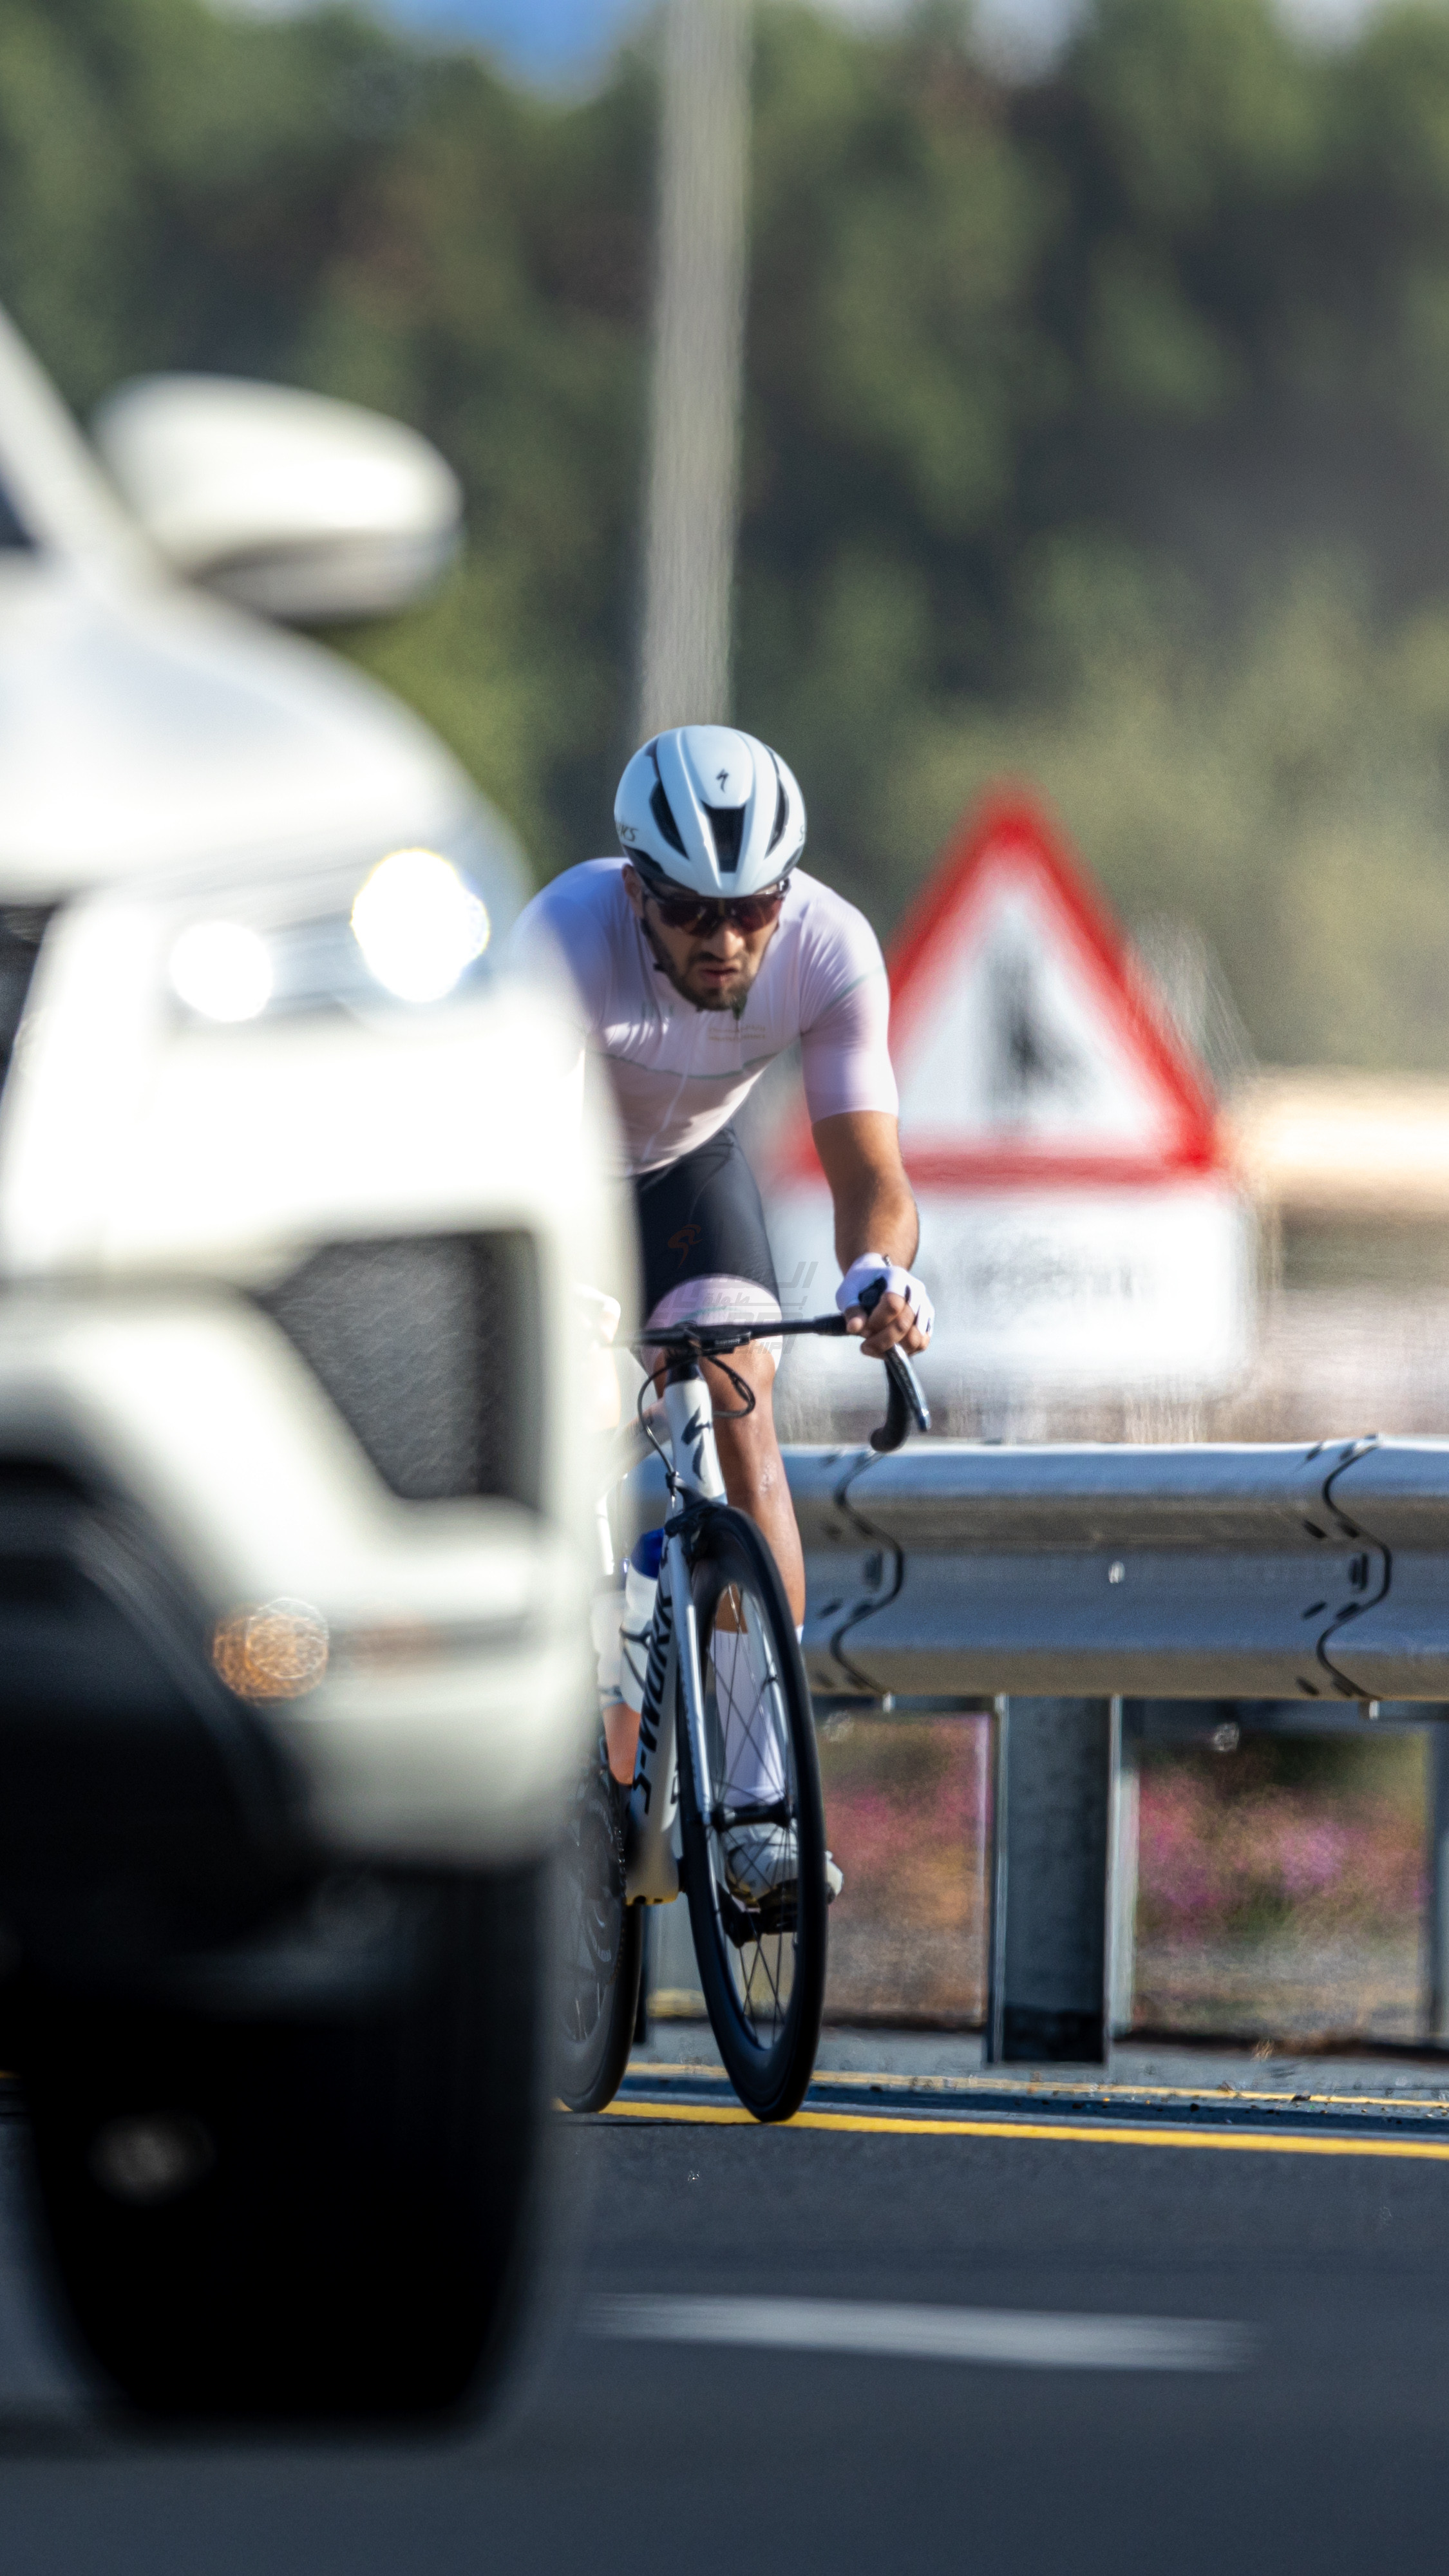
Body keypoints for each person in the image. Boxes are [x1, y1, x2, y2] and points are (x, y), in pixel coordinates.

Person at [516, 723, 933, 1900]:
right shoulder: (563, 938)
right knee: (563, 1420)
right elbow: (514, 1158)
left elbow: (871, 1171)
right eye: (692, 911)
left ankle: (756, 1806)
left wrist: (877, 1275)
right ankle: (558, 1720)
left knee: (742, 1413)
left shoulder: (830, 947)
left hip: (687, 1180)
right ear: (635, 891)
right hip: (545, 1182)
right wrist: (561, 1313)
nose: (727, 938)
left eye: (752, 908)